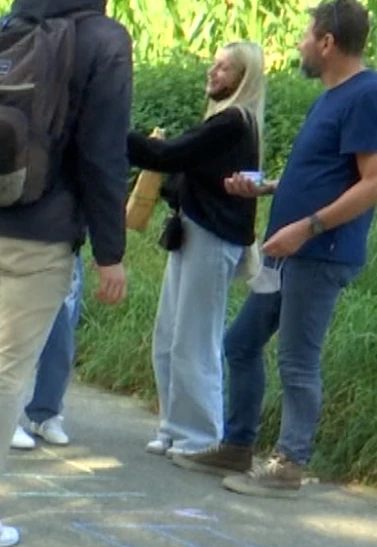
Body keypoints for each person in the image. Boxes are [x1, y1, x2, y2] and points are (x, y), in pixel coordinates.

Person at [0, 0, 133, 547]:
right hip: (41, 230)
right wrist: (111, 251)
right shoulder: (104, 39)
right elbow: (103, 154)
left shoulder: (4, 26)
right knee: (9, 372)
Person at [175, 0, 377, 497]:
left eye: (305, 35)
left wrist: (307, 227)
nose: (298, 44)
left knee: (297, 360)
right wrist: (269, 188)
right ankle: (236, 446)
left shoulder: (370, 95)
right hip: (287, 251)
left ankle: (289, 463)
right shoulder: (331, 95)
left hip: (319, 252)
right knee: (241, 343)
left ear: (327, 43)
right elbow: (330, 175)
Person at [123, 42, 266, 457]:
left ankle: (200, 435)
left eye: (224, 69)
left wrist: (112, 129)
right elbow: (189, 173)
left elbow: (169, 155)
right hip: (193, 230)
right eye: (215, 64)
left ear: (243, 79)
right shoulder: (225, 121)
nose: (213, 72)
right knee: (169, 335)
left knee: (195, 338)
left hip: (212, 236)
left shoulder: (233, 123)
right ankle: (174, 425)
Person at [8, 261, 81, 450]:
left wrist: (107, 255)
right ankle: (6, 419)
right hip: (18, 248)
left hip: (61, 249)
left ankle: (45, 414)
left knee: (60, 343)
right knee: (16, 340)